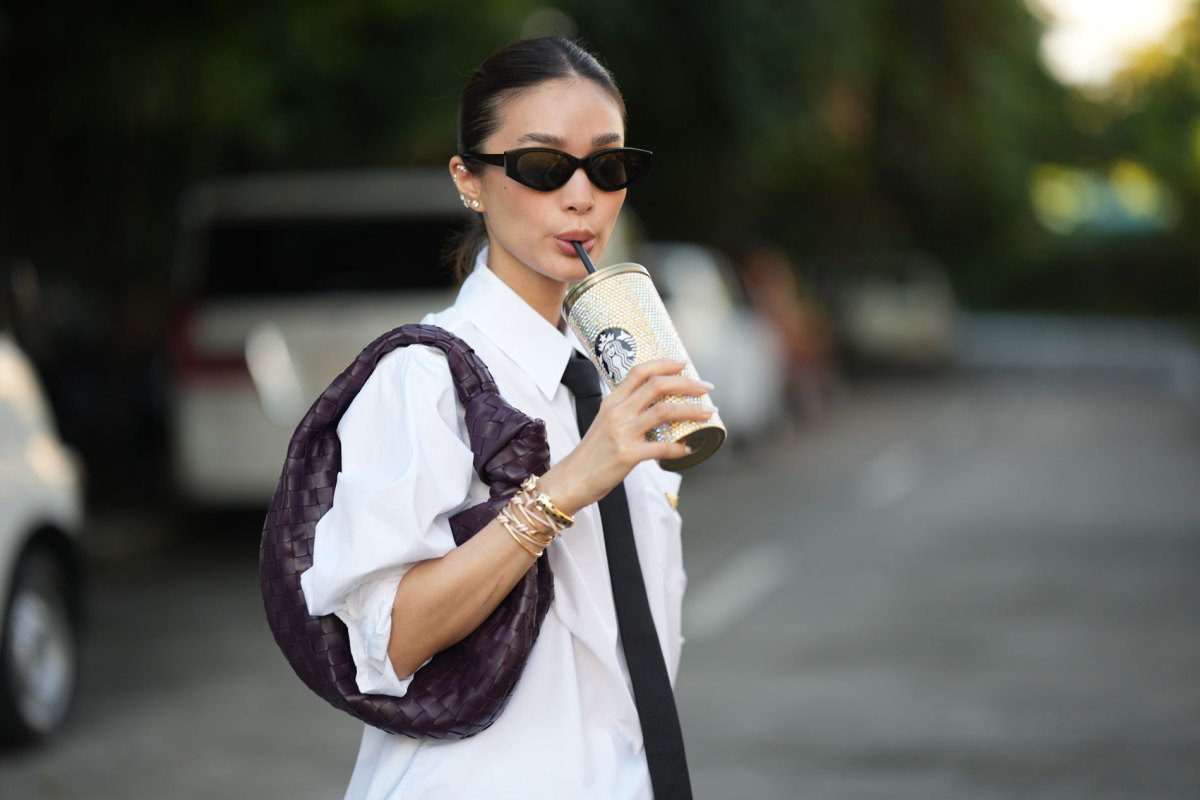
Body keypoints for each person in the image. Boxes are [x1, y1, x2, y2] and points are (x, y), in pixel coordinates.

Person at [300, 36, 715, 799]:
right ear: (470, 179)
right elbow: (385, 643)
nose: (581, 195)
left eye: (609, 165)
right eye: (543, 166)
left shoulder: (602, 379)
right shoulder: (424, 375)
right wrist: (571, 482)